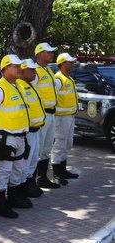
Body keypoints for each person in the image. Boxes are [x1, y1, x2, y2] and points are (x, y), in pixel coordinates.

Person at [0, 54, 31, 219]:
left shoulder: (17, 85)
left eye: (20, 65)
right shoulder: (0, 88)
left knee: (17, 169)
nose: (19, 68)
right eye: (15, 66)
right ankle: (1, 204)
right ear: (5, 68)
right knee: (4, 171)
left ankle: (13, 198)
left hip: (19, 136)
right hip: (6, 137)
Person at [34, 42, 66, 188]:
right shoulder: (36, 72)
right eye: (49, 52)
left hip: (51, 114)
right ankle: (32, 181)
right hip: (42, 115)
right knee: (38, 148)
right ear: (40, 53)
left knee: (47, 148)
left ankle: (42, 178)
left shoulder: (48, 71)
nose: (52, 54)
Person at [16, 58, 46, 198]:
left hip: (36, 130)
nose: (35, 72)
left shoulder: (31, 85)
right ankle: (22, 189)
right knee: (25, 162)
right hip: (27, 132)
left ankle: (30, 184)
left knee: (34, 159)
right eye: (31, 70)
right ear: (22, 70)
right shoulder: (19, 86)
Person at [51, 53, 79, 181]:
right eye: (70, 62)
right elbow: (51, 97)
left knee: (67, 144)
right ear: (62, 63)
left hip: (69, 117)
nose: (73, 64)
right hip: (60, 118)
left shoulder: (69, 79)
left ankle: (63, 170)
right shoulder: (58, 79)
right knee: (59, 144)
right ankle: (57, 174)